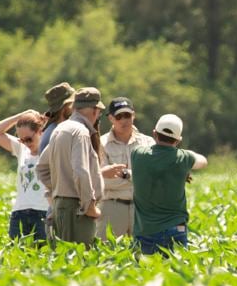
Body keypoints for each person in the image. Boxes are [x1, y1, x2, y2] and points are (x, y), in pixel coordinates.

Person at [130, 114, 208, 255]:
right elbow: (203, 161)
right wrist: (183, 168)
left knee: (145, 269)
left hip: (145, 230)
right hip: (176, 228)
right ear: (178, 140)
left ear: (154, 134)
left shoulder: (137, 154)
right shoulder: (183, 158)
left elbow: (154, 159)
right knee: (176, 268)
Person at [38, 87, 106, 246]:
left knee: (63, 257)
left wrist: (58, 190)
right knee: (80, 257)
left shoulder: (60, 128)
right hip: (78, 210)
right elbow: (80, 171)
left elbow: (41, 168)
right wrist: (89, 206)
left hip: (62, 206)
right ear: (95, 110)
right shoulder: (80, 131)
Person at [0, 109, 50, 243]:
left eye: (29, 139)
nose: (26, 143)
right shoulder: (22, 149)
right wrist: (20, 116)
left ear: (40, 131)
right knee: (17, 253)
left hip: (43, 213)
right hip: (19, 213)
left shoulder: (51, 150)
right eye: (22, 140)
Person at [98, 97, 154, 240]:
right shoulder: (100, 143)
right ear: (111, 118)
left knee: (144, 251)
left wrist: (126, 175)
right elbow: (104, 181)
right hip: (111, 207)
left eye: (127, 115)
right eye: (119, 116)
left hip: (142, 209)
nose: (124, 120)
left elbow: (153, 178)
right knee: (109, 251)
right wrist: (139, 178)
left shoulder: (148, 143)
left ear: (133, 115)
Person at [39, 82, 75, 152]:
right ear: (65, 107)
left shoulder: (57, 130)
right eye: (71, 104)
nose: (74, 107)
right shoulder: (54, 134)